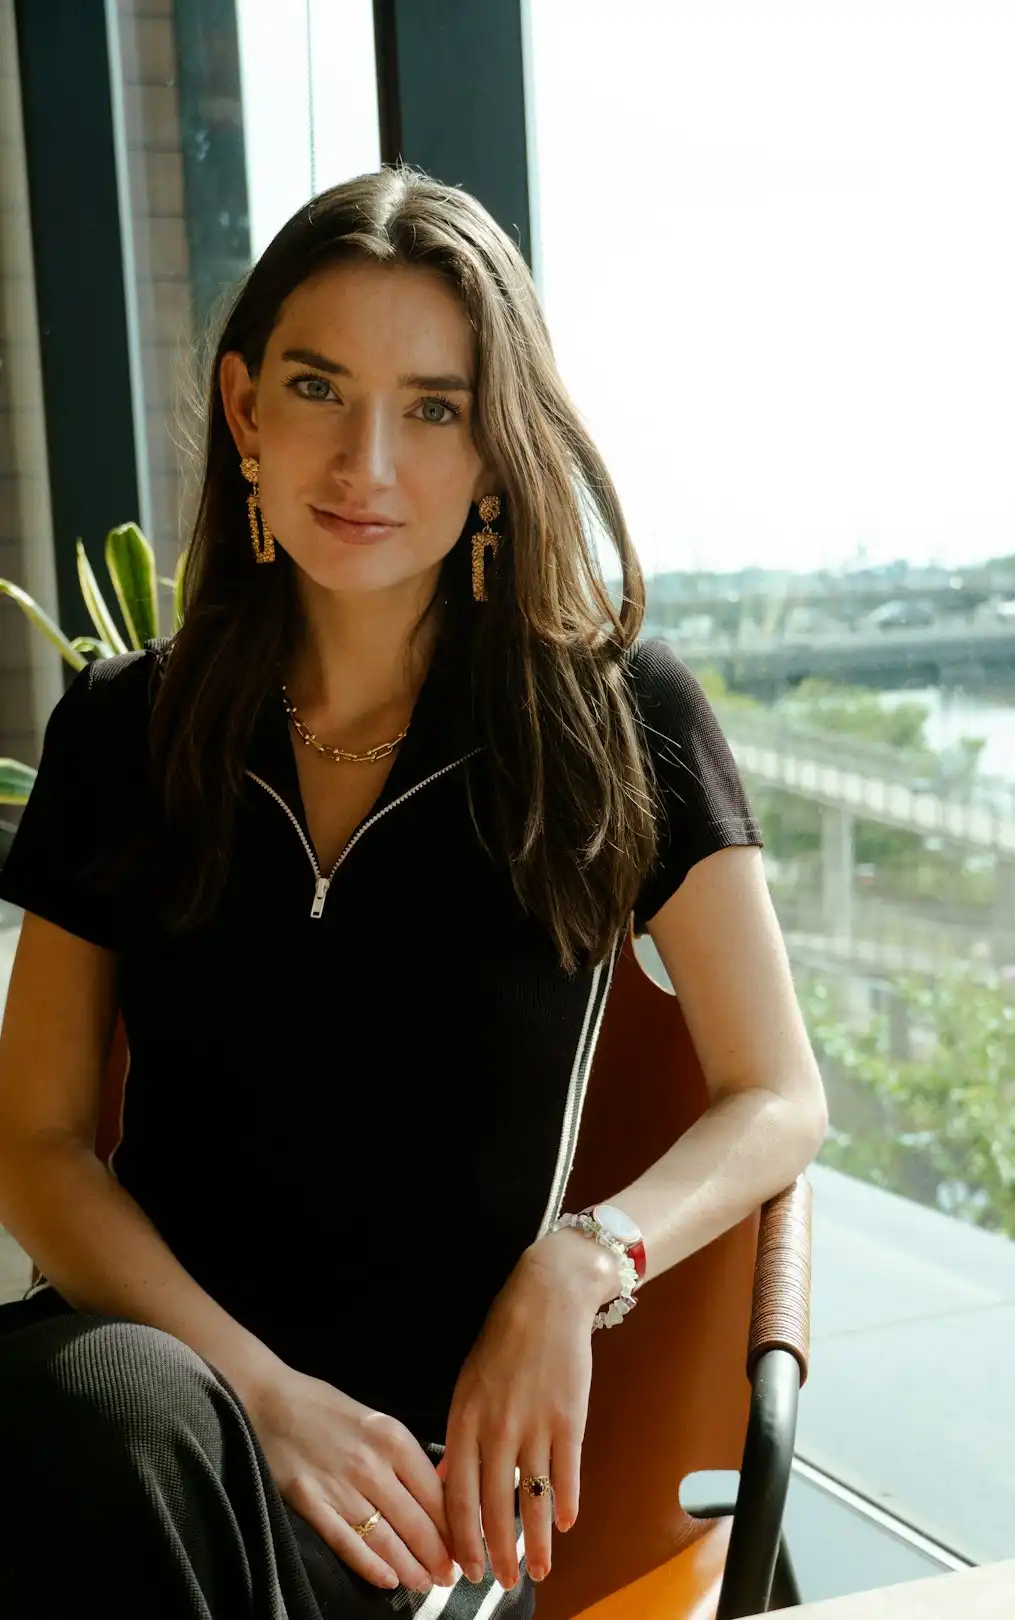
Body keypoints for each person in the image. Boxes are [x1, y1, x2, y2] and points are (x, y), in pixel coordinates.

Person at [0, 165, 827, 1619]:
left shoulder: (612, 720)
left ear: (498, 449)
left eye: (434, 408)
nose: (366, 463)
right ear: (247, 409)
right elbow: (41, 1146)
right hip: (130, 1406)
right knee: (107, 1432)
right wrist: (258, 1396)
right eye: (320, 392)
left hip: (417, 1494)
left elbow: (779, 1095)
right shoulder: (124, 733)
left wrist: (581, 1264)